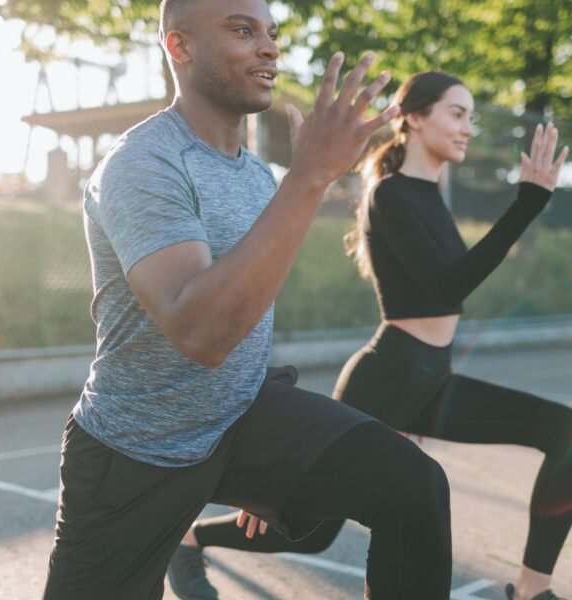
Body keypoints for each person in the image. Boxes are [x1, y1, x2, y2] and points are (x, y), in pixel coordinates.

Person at [42, 0, 461, 597]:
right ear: (180, 48)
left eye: (271, 32)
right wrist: (309, 177)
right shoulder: (142, 165)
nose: (269, 47)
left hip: (238, 420)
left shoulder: (257, 176)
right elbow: (202, 333)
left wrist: (277, 465)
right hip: (137, 452)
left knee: (412, 486)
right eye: (242, 30)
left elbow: (248, 310)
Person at [174, 72, 572, 600]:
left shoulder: (428, 195)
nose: (468, 127)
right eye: (457, 113)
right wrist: (527, 202)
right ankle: (187, 537)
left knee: (569, 433)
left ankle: (533, 591)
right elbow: (449, 286)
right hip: (388, 376)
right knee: (312, 530)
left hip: (431, 377)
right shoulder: (391, 195)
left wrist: (527, 202)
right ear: (414, 118)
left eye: (471, 116)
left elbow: (448, 287)